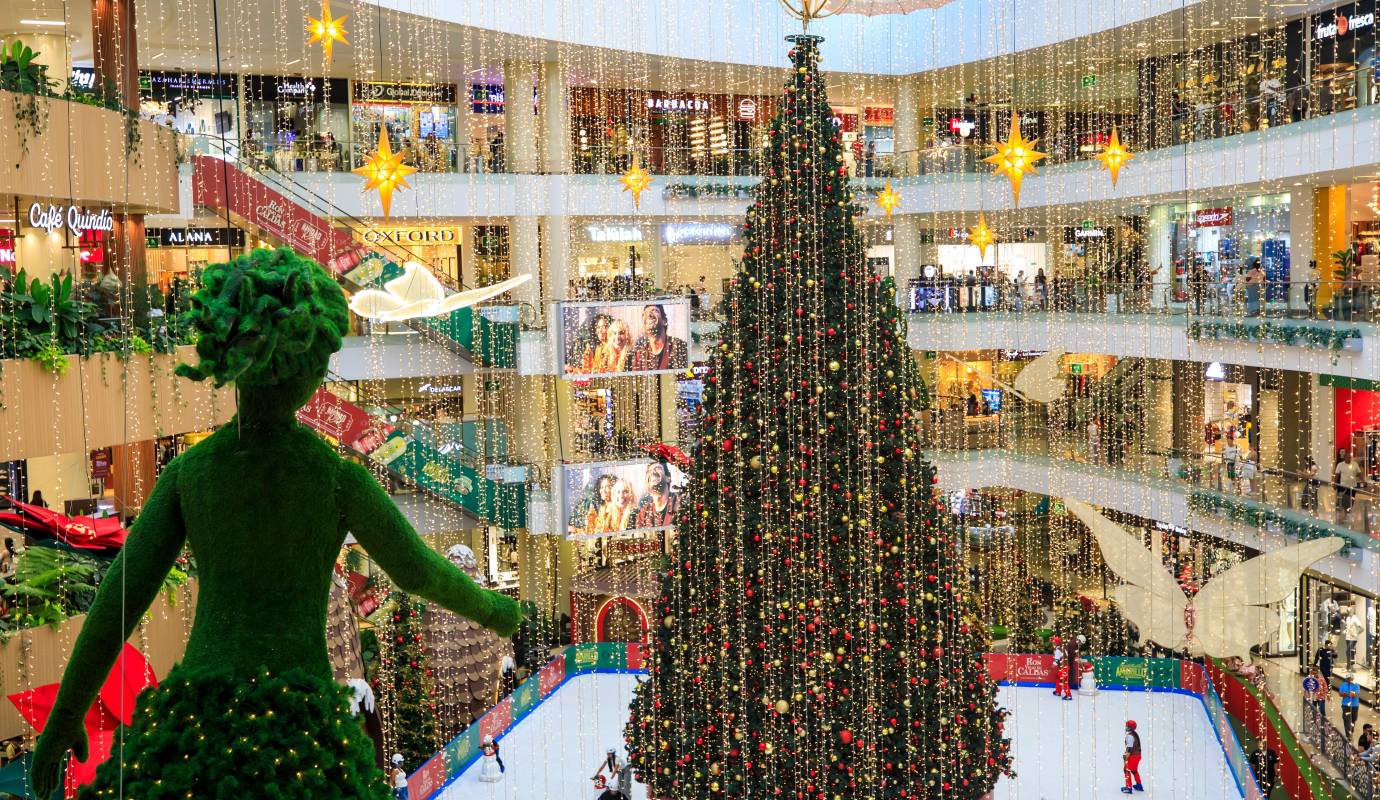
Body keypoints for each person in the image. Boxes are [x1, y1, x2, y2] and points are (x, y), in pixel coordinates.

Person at [28, 249, 522, 799]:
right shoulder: (336, 477)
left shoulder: (190, 474)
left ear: (229, 358)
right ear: (312, 365)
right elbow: (417, 572)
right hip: (302, 729)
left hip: (199, 726)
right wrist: (494, 609)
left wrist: (65, 715)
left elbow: (121, 596)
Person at [629, 304, 689, 372]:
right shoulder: (639, 356)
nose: (649, 314)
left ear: (664, 321)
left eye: (654, 310)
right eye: (645, 313)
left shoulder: (680, 347)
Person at [634, 462, 680, 529]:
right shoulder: (643, 514)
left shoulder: (679, 503)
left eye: (658, 468)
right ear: (648, 481)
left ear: (668, 478)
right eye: (649, 471)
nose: (653, 471)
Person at [1334, 450, 1362, 521]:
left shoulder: (1355, 464)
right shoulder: (1340, 464)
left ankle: (1348, 511)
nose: (1349, 459)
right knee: (1345, 500)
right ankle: (1346, 513)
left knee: (1352, 500)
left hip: (1353, 485)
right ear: (1344, 458)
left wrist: (1363, 480)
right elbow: (1337, 475)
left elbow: (1359, 473)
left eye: (1350, 457)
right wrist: (1334, 484)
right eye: (1347, 457)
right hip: (1344, 486)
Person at [1122, 720, 1143, 794]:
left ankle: (1128, 787)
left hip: (1132, 756)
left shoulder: (1130, 736)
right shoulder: (1134, 734)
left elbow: (1130, 747)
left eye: (1127, 726)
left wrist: (1126, 755)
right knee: (1134, 770)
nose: (1126, 727)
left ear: (1129, 727)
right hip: (1138, 755)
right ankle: (1139, 785)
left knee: (1126, 770)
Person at [1338, 672, 1361, 738]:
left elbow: (1356, 695)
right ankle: (1348, 735)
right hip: (1345, 705)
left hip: (1354, 705)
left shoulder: (1356, 685)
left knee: (1354, 719)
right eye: (1348, 679)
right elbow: (1340, 693)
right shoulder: (1343, 684)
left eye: (1350, 678)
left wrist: (1346, 694)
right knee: (1347, 720)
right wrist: (1348, 694)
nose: (1349, 680)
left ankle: (1351, 730)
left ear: (1353, 678)